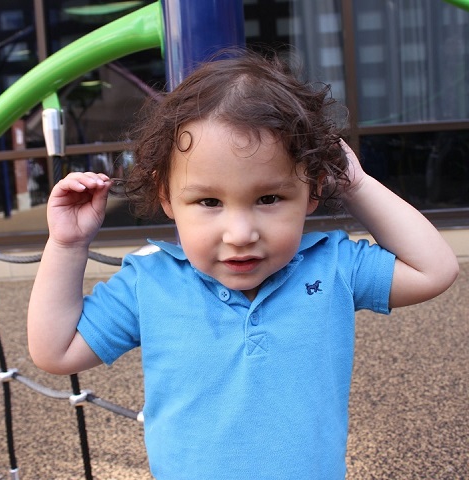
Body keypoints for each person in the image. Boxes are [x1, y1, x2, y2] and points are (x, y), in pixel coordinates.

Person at [27, 50, 459, 480]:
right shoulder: (150, 282)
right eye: (209, 201)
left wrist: (358, 184)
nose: (240, 233)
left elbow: (434, 270)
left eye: (268, 199)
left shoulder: (331, 266)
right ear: (167, 198)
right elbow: (55, 350)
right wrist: (67, 244)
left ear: (312, 191)